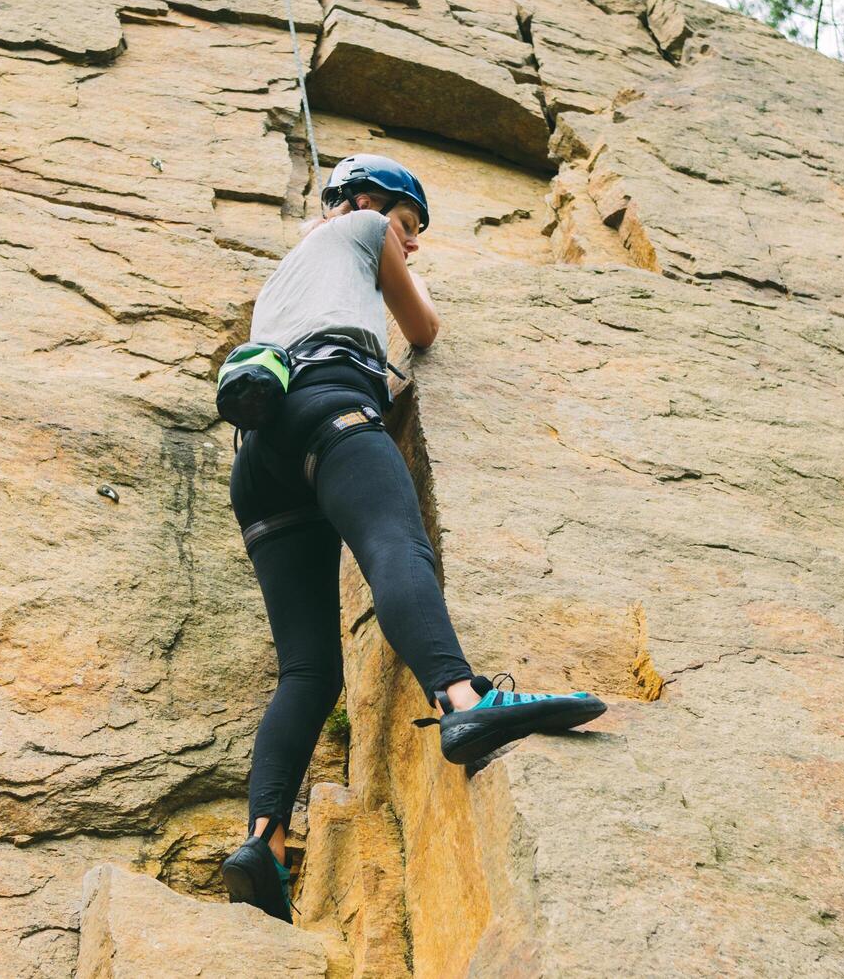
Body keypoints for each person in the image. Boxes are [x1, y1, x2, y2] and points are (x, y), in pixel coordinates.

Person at [217, 155, 607, 923]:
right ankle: (464, 699)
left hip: (259, 461)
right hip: (330, 407)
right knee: (398, 546)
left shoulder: (289, 272)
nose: (412, 245)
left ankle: (262, 840)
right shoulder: (362, 228)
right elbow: (423, 328)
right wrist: (384, 244)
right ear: (367, 203)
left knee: (307, 670)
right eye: (409, 225)